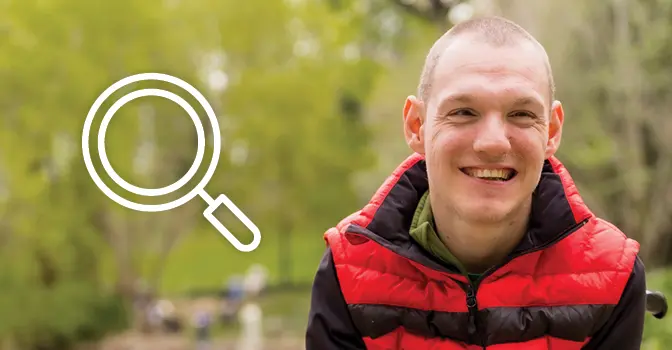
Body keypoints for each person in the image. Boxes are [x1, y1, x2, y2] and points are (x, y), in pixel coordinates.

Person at [305, 15, 646, 350]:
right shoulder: (349, 269)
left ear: (552, 131)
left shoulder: (613, 276)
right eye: (463, 112)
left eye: (522, 114)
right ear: (416, 126)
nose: (493, 142)